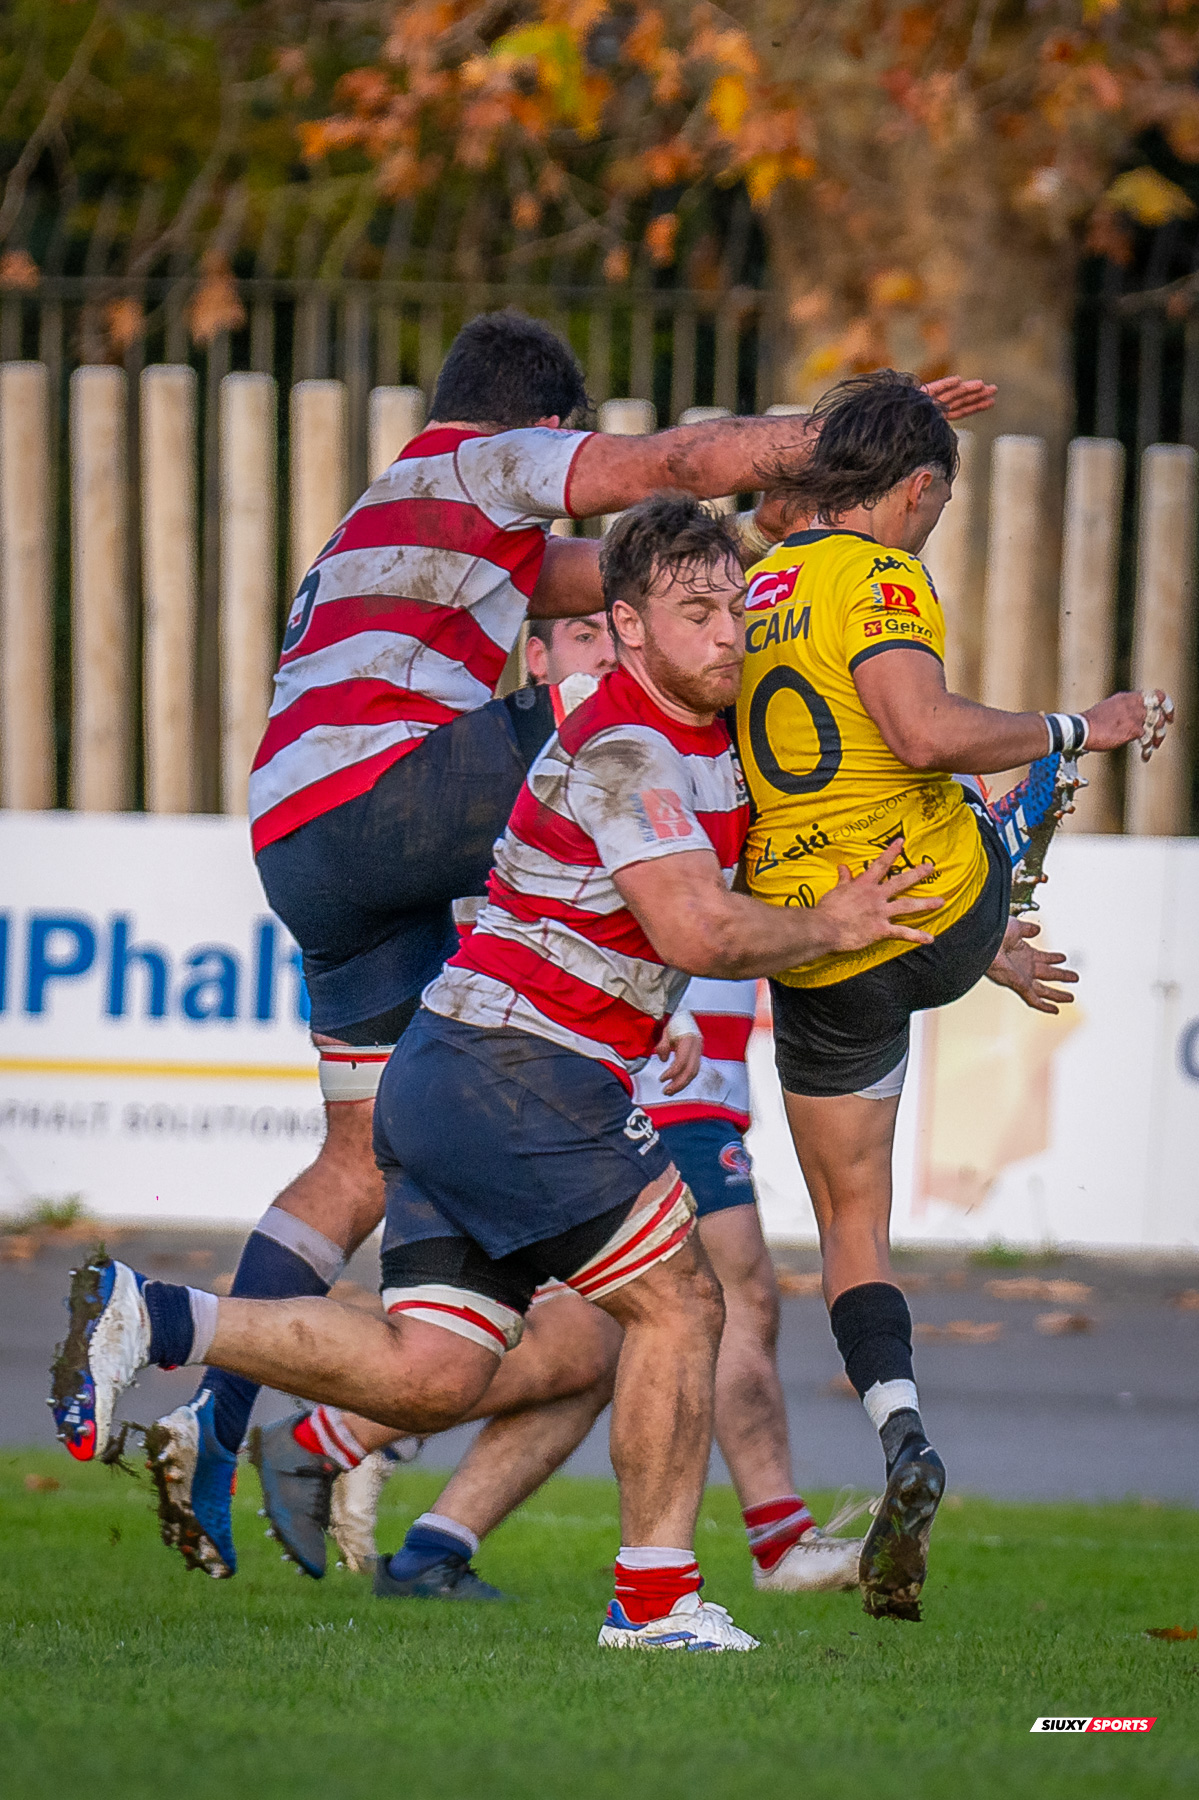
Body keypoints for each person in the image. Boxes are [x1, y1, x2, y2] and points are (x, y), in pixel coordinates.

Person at [137, 305, 997, 1581]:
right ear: (541, 427)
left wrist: (811, 509)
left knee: (359, 1152)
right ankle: (664, 1578)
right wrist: (837, 446)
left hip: (304, 841)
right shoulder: (479, 464)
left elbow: (668, 573)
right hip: (377, 795)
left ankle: (204, 1417)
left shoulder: (413, 526)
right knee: (632, 713)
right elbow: (677, 473)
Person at [52, 494, 941, 1651]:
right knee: (681, 1301)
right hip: (517, 1071)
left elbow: (778, 873)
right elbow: (700, 934)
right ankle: (657, 1604)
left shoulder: (716, 743)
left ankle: (154, 1314)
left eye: (736, 607)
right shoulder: (625, 746)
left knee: (432, 1376)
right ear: (622, 626)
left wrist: (965, 935)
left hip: (451, 1072)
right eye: (694, 611)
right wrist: (829, 925)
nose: (727, 632)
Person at [260, 609, 862, 1596]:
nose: (604, 654)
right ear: (539, 659)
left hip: (645, 1045)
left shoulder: (703, 730)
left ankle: (420, 1534)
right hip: (538, 1070)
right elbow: (512, 928)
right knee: (690, 1300)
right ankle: (749, 1551)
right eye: (581, 635)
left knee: (603, 1339)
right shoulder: (556, 754)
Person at [735, 368, 1175, 1621]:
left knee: (848, 1227)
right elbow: (921, 730)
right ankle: (906, 1455)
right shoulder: (881, 575)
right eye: (931, 504)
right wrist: (1073, 726)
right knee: (1000, 784)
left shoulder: (757, 580)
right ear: (918, 490)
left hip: (819, 939)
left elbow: (769, 501)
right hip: (931, 904)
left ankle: (898, 1429)